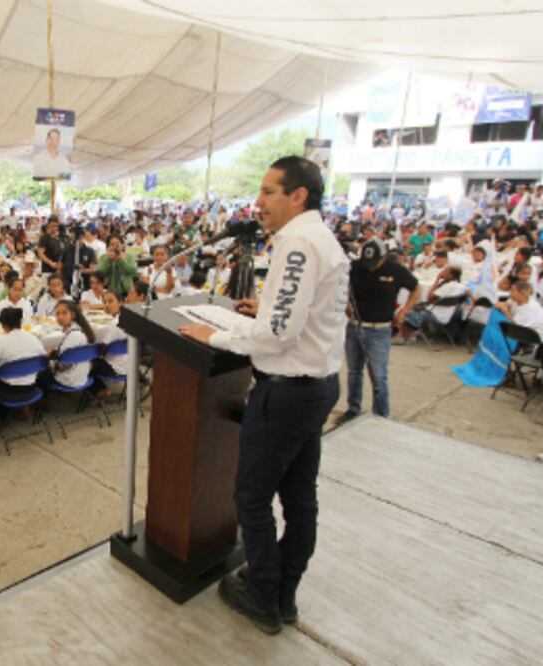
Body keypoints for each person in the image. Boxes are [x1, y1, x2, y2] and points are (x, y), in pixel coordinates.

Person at [179, 156, 347, 635]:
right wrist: (266, 311)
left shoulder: (297, 242)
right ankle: (284, 594)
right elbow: (302, 317)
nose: (258, 202)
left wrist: (216, 337)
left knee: (251, 499)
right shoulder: (321, 238)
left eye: (269, 191)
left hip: (287, 392)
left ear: (298, 196)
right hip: (317, 385)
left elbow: (277, 337)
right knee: (299, 499)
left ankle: (262, 596)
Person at [338, 238, 420, 422]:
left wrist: (404, 312)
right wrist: (345, 304)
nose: (371, 267)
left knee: (378, 376)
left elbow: (416, 289)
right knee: (353, 372)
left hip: (379, 330)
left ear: (383, 257)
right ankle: (353, 408)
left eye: (375, 263)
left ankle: (381, 415)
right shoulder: (355, 267)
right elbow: (341, 285)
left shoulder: (396, 269)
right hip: (355, 326)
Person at [0, 306, 46, 404]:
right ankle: (24, 409)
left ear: (4, 326)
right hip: (32, 388)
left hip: (7, 392)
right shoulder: (34, 339)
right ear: (21, 322)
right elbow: (43, 361)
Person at [39, 300, 95, 391]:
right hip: (81, 376)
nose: (60, 317)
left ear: (73, 315)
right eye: (57, 314)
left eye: (64, 313)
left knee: (38, 368)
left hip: (69, 379)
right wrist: (55, 351)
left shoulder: (74, 335)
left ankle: (43, 399)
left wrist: (47, 361)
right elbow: (69, 352)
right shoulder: (79, 329)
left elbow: (63, 366)